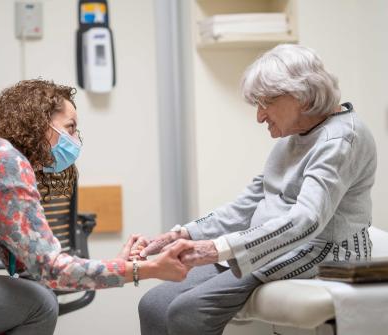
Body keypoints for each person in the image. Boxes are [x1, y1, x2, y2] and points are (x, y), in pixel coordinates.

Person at [135, 44, 377, 335]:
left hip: (322, 249)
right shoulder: (293, 138)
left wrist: (217, 248)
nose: (260, 117)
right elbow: (247, 204)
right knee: (153, 303)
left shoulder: (341, 138)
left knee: (189, 311)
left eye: (265, 103)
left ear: (301, 95)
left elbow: (306, 220)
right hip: (275, 247)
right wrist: (182, 234)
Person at [0, 79, 191, 335]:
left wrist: (117, 265)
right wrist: (145, 269)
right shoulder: (1, 161)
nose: (75, 140)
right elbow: (50, 269)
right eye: (70, 128)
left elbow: (36, 271)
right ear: (38, 123)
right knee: (40, 305)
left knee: (39, 295)